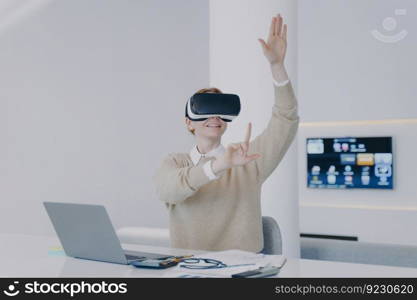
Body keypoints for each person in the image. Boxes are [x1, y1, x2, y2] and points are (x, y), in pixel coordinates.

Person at [154, 14, 299, 252]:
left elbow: (286, 120)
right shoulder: (175, 162)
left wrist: (277, 67)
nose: (214, 117)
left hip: (242, 273)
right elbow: (169, 190)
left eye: (221, 112)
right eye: (205, 110)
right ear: (189, 123)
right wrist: (218, 166)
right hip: (189, 271)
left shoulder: (248, 160)